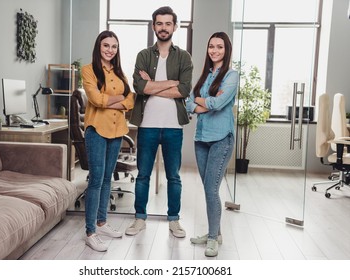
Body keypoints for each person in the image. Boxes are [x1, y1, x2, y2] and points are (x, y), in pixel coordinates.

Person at [125, 6, 193, 238]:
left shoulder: (183, 56)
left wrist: (154, 84)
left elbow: (184, 90)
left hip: (174, 127)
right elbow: (140, 87)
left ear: (175, 26)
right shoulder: (143, 55)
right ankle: (139, 218)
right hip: (147, 126)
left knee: (173, 176)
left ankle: (174, 219)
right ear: (153, 26)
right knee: (143, 174)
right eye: (159, 23)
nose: (163, 28)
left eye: (168, 23)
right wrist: (169, 82)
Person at [185, 32, 238, 257]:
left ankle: (213, 238)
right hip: (201, 139)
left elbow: (217, 103)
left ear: (226, 50)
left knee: (210, 189)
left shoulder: (231, 76)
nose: (214, 50)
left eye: (219, 47)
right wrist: (201, 102)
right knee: (209, 191)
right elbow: (188, 104)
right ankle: (213, 233)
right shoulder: (205, 75)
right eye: (211, 46)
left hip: (221, 139)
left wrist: (199, 100)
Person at [81, 30, 135, 252]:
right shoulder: (89, 70)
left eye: (114, 46)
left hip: (117, 131)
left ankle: (102, 223)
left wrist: (113, 101)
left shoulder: (120, 72)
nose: (110, 50)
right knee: (95, 180)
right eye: (106, 46)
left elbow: (131, 99)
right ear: (98, 47)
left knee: (106, 180)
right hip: (97, 131)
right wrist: (118, 100)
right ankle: (90, 232)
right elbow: (94, 99)